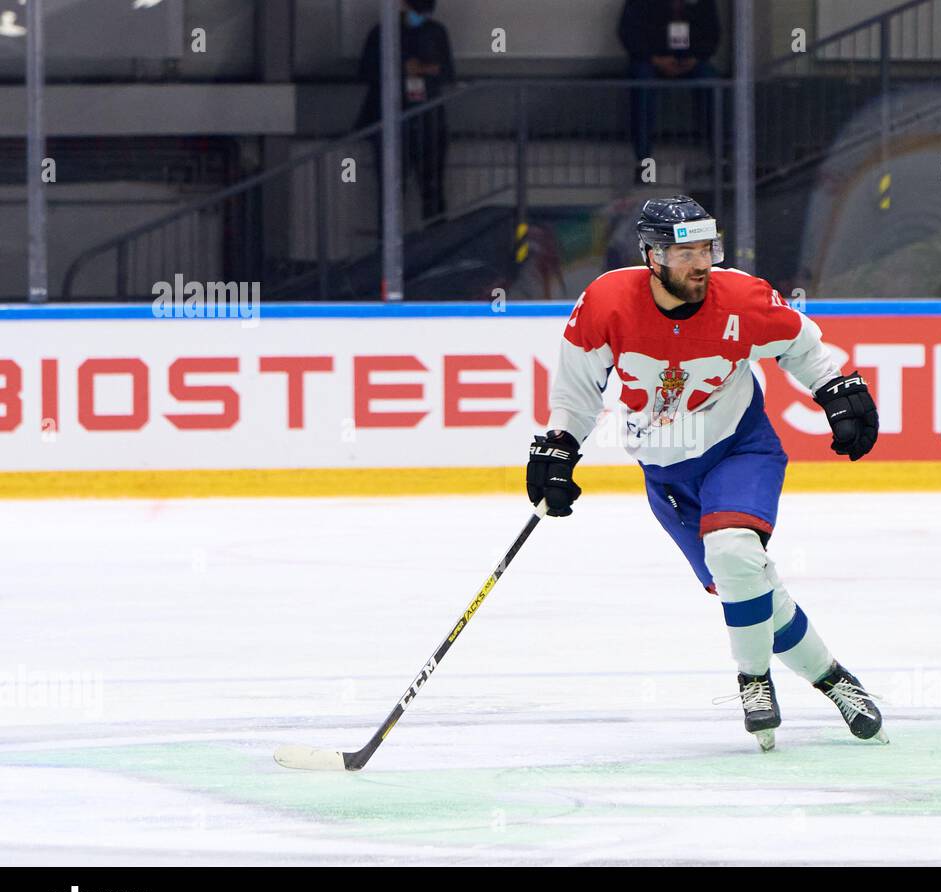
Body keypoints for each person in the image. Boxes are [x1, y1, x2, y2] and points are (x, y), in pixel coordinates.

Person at [527, 196, 886, 751]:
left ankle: (753, 680)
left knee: (734, 551)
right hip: (666, 474)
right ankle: (834, 679)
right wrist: (559, 446)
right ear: (652, 256)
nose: (701, 263)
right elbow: (576, 395)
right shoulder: (606, 303)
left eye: (707, 249)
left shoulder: (740, 297)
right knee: (749, 584)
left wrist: (835, 388)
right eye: (684, 251)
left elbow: (801, 345)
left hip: (739, 447)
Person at [355, 0, 455, 221]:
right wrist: (405, 69)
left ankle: (434, 237)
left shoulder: (434, 32)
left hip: (427, 120)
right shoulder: (383, 33)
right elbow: (366, 71)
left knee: (432, 188)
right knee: (391, 191)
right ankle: (389, 245)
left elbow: (445, 71)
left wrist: (418, 69)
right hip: (395, 120)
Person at [618, 0, 721, 161]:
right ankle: (644, 163)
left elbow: (713, 34)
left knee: (711, 82)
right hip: (651, 61)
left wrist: (695, 58)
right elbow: (628, 33)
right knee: (642, 82)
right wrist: (655, 59)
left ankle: (718, 158)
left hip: (690, 60)